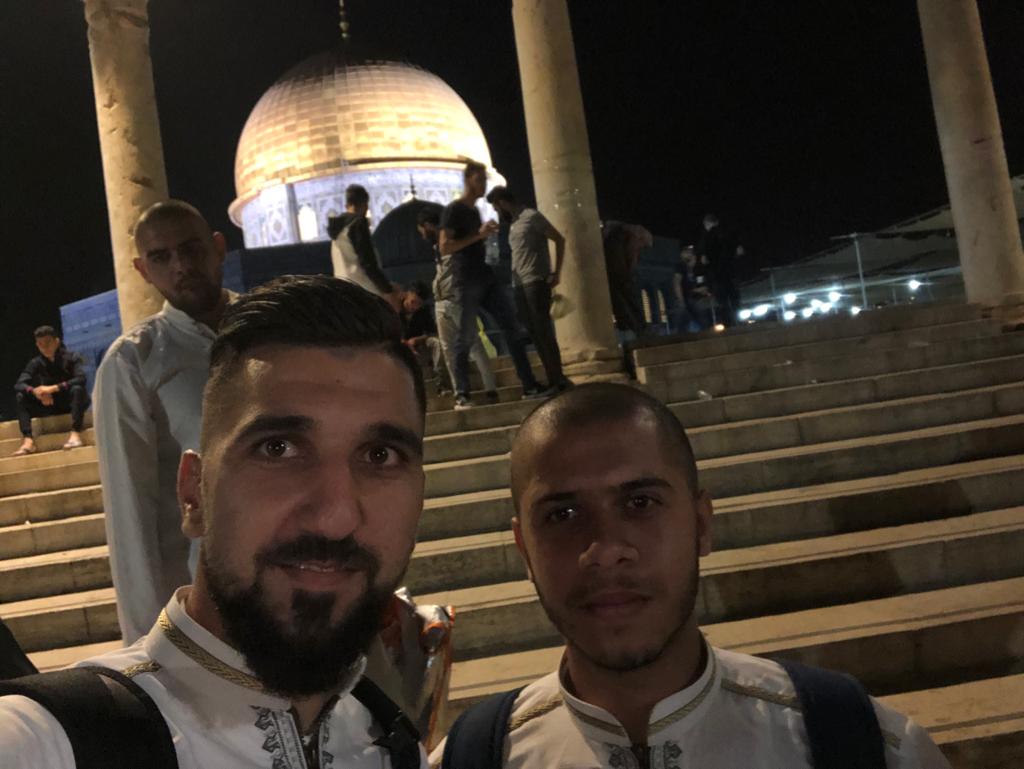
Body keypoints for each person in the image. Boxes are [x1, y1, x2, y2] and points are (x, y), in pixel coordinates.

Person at [0, 275, 431, 769]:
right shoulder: (45, 743)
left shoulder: (392, 744)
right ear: (193, 494)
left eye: (380, 455)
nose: (336, 517)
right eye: (278, 448)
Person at [433, 383, 950, 768]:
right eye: (562, 515)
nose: (605, 550)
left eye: (640, 503)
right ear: (524, 548)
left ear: (701, 525)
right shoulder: (476, 758)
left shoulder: (869, 746)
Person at [93, 200, 234, 645]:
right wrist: (148, 646)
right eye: (161, 257)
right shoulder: (133, 361)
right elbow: (130, 511)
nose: (181, 266)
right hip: (203, 605)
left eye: (191, 249)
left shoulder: (273, 332)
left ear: (218, 247)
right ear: (142, 270)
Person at [440, 161, 543, 410]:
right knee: (465, 337)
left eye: (485, 180)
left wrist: (484, 238)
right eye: (480, 180)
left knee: (512, 328)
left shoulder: (474, 211)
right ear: (468, 180)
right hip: (467, 280)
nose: (484, 185)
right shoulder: (454, 210)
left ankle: (529, 385)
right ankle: (462, 394)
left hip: (485, 277)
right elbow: (444, 247)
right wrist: (479, 235)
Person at [486, 186, 571, 393]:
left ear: (502, 202)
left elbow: (559, 239)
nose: (497, 212)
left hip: (535, 280)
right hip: (519, 284)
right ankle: (553, 378)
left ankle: (558, 379)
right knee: (534, 332)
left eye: (496, 208)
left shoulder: (531, 217)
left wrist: (556, 272)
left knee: (543, 331)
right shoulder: (514, 224)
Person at [417, 209, 498, 403]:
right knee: (448, 349)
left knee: (474, 345)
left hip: (457, 299)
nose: (422, 235)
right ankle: (460, 394)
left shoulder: (455, 243)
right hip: (441, 302)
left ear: (428, 225)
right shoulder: (437, 247)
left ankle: (490, 389)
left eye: (421, 230)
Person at [12, 326, 89, 455]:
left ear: (56, 341)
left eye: (48, 342)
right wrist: (36, 392)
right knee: (21, 396)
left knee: (77, 389)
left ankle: (75, 433)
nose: (45, 347)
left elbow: (81, 378)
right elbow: (19, 384)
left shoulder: (72, 357)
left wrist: (53, 388)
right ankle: (28, 440)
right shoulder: (36, 363)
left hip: (69, 400)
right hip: (50, 403)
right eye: (40, 344)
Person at [329, 184, 402, 309]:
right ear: (365, 204)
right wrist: (388, 290)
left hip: (344, 292)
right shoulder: (357, 223)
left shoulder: (336, 232)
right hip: (366, 292)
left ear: (347, 204)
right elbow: (368, 263)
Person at [697, 213, 742, 326]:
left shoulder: (707, 237)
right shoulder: (728, 233)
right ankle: (737, 320)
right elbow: (738, 251)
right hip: (730, 270)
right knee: (734, 296)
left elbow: (704, 259)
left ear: (707, 224)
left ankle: (728, 323)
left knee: (722, 299)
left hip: (716, 272)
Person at [673, 245, 713, 332]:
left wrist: (701, 290)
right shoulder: (681, 266)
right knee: (684, 322)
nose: (690, 255)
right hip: (686, 299)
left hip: (691, 298)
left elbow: (690, 287)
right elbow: (677, 283)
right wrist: (680, 300)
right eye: (687, 253)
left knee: (700, 320)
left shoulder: (692, 269)